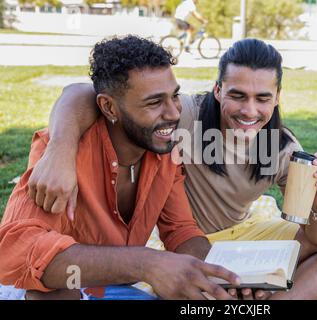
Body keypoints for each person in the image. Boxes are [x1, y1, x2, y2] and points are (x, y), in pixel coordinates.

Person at [26, 39, 317, 300]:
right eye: (238, 95)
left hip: (240, 241)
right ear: (218, 91)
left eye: (262, 98)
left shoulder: (281, 146)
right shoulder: (182, 115)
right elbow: (82, 92)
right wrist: (59, 148)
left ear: (277, 97)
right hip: (191, 245)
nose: (250, 111)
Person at [0, 36, 240, 300]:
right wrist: (145, 262)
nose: (173, 113)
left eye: (174, 96)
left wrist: (223, 278)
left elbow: (180, 230)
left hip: (116, 286)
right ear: (109, 107)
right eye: (154, 102)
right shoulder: (60, 154)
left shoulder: (164, 151)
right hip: (57, 287)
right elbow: (15, 252)